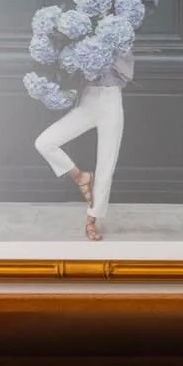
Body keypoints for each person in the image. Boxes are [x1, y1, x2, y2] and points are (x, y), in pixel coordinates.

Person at [33, 39, 133, 242]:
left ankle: (91, 220)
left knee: (106, 166)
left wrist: (102, 57)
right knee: (44, 142)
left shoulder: (120, 33)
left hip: (111, 100)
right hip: (87, 100)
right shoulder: (80, 32)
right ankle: (81, 177)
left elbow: (126, 74)